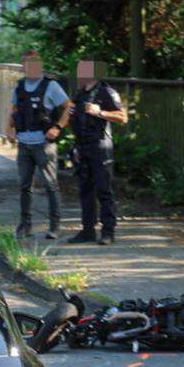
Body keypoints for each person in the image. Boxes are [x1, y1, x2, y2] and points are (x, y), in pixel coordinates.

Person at [64, 59, 127, 245]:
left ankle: (108, 231)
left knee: (104, 189)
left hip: (100, 146)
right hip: (82, 146)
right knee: (85, 190)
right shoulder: (80, 93)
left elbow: (122, 117)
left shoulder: (106, 92)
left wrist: (100, 112)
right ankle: (87, 230)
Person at [6, 51, 69, 237]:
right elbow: (14, 110)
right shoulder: (20, 87)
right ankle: (25, 225)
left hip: (44, 144)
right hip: (24, 144)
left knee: (51, 185)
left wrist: (58, 127)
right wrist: (9, 129)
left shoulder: (51, 86)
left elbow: (68, 107)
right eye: (26, 63)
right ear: (23, 66)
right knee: (25, 186)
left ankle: (54, 226)